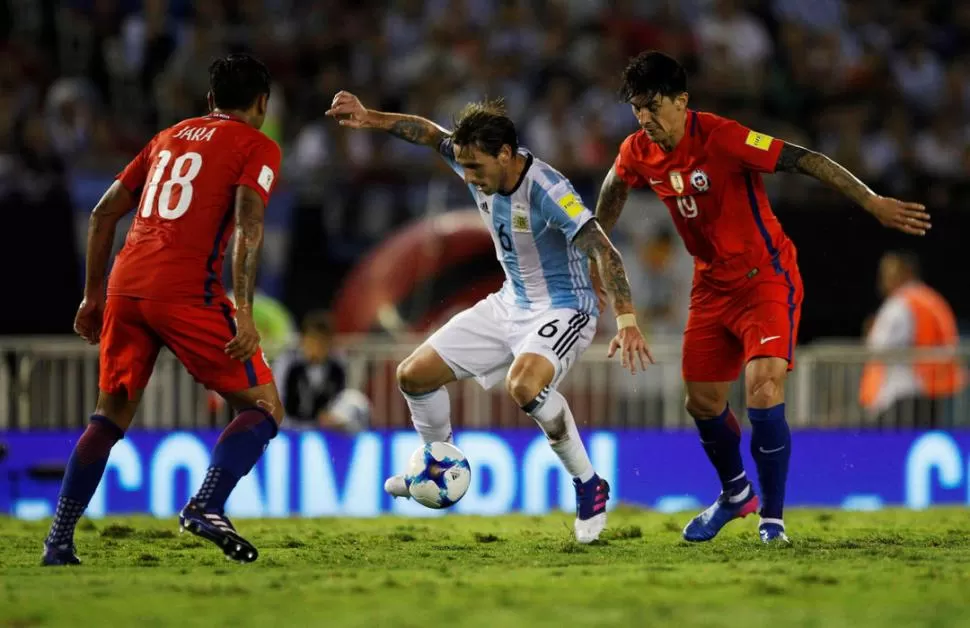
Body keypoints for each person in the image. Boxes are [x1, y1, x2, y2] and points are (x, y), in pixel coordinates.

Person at [593, 51, 930, 544]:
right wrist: (594, 260)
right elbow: (605, 213)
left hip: (765, 277)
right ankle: (735, 495)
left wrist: (871, 202)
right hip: (710, 286)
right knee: (702, 402)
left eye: (652, 104)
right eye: (636, 108)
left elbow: (807, 159)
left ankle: (773, 519)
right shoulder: (636, 152)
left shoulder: (725, 137)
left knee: (763, 389)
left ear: (681, 100)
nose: (644, 117)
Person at [326, 91, 652, 543]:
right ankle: (438, 463)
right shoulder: (470, 159)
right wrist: (369, 118)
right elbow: (427, 134)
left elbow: (601, 246)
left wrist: (627, 318)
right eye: (465, 166)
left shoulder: (548, 190)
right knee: (413, 375)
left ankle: (588, 485)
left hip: (563, 306)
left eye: (477, 167)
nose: (470, 177)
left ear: (505, 154)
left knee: (524, 386)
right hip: (509, 302)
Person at [44, 54, 284, 565]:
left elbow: (102, 213)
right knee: (263, 407)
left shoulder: (167, 137)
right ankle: (208, 504)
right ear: (262, 102)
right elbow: (249, 224)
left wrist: (92, 296)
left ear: (210, 99)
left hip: (125, 283)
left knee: (108, 418)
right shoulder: (256, 145)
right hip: (184, 287)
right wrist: (243, 309)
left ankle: (58, 541)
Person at [860, 251, 964, 428]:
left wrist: (871, 330)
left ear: (906, 273)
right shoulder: (931, 299)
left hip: (900, 395)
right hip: (930, 392)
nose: (884, 281)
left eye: (889, 274)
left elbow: (877, 345)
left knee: (892, 448)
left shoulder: (900, 304)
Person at [273, 310, 371, 433]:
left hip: (327, 428)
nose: (317, 347)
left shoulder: (338, 365)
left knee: (357, 401)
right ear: (303, 340)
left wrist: (334, 418)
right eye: (313, 341)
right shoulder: (288, 363)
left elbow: (346, 398)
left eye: (322, 342)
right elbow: (277, 399)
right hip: (292, 428)